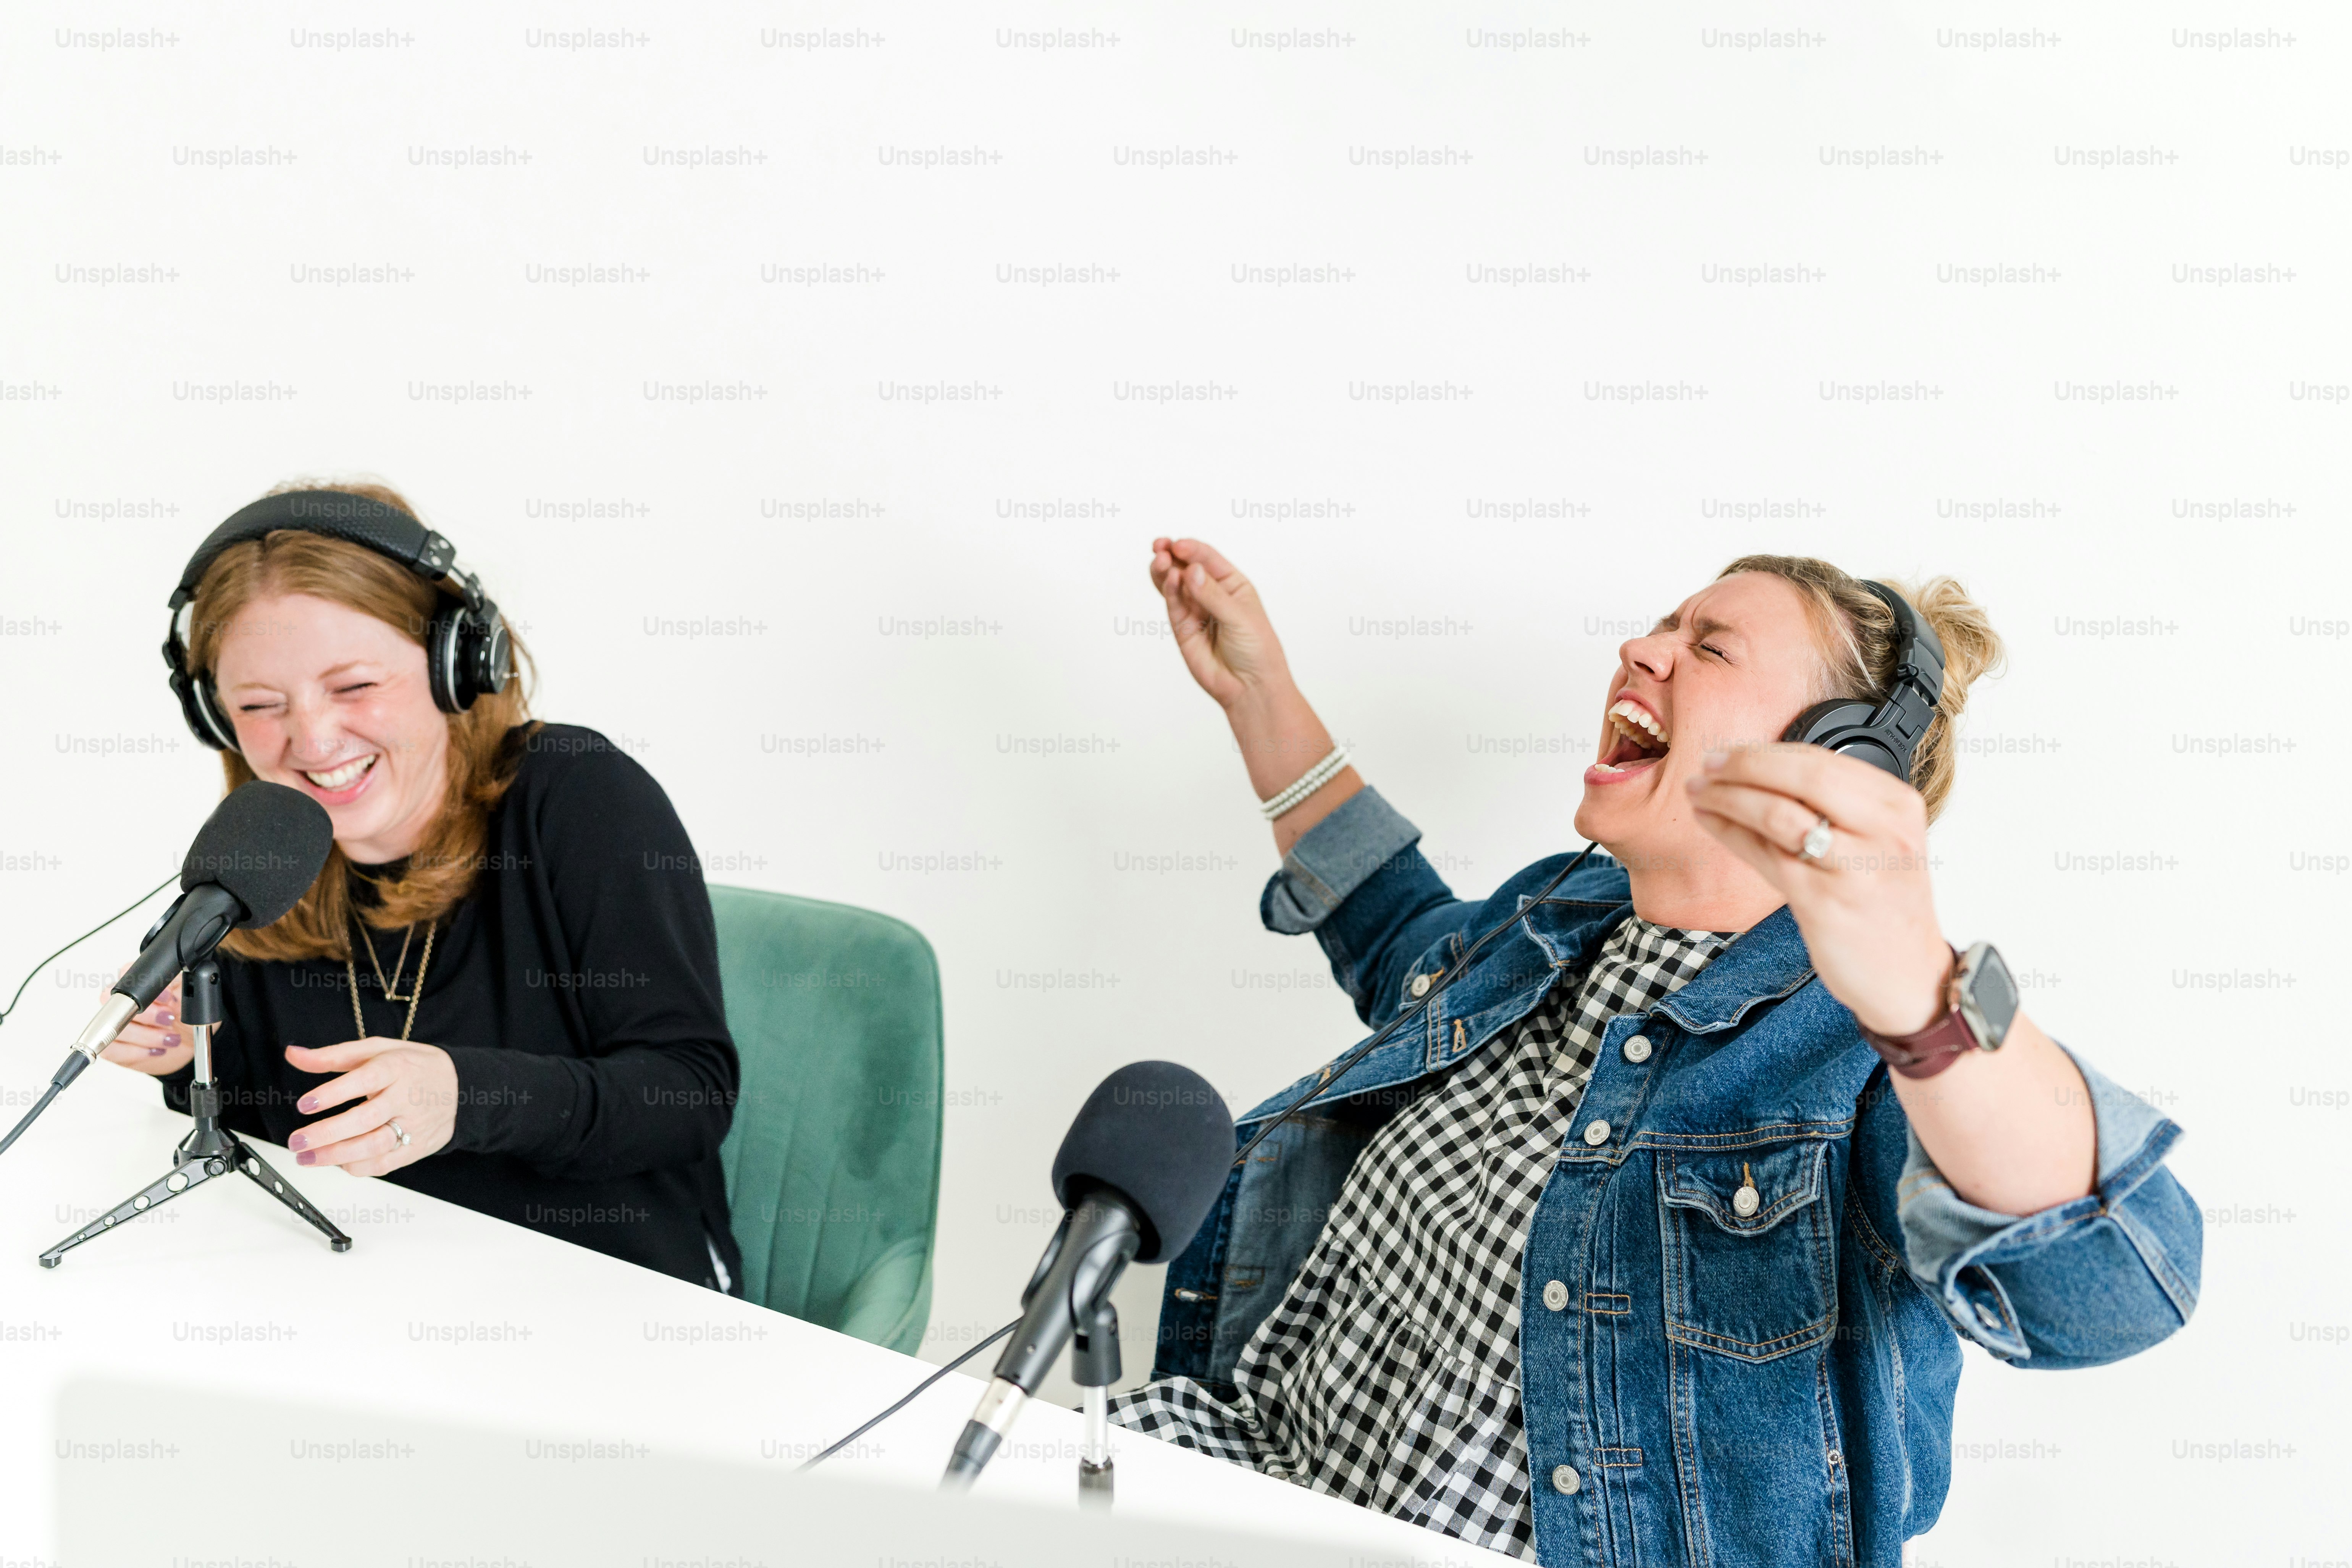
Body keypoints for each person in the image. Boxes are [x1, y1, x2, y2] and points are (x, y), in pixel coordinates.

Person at [1111, 539, 2200, 1566]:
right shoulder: (1558, 914)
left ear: (1834, 755)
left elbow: (2111, 1286)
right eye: (1661, 626)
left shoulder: (1864, 1063)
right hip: (1240, 1488)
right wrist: (1262, 696)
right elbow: (1403, 936)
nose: (1640, 650)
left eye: (1712, 646)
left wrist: (1920, 991)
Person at [102, 483, 743, 1292]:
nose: (314, 738)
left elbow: (687, 1093)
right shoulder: (263, 852)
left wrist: (464, 1095)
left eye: (354, 686)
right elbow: (269, 1132)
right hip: (362, 1286)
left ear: (454, 664)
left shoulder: (578, 796)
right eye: (261, 704)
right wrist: (188, 1057)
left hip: (607, 1292)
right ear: (217, 719)